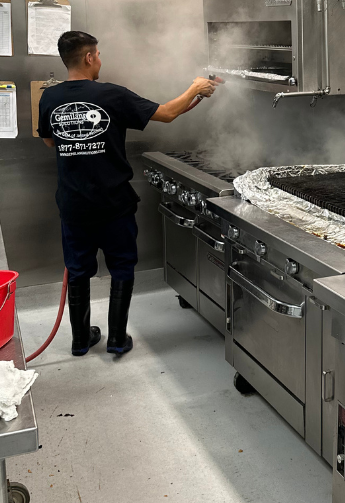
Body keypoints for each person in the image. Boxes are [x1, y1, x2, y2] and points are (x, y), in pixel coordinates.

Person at [38, 31, 220, 357]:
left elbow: (50, 141)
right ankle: (117, 340)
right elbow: (165, 113)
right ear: (90, 57)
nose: (100, 60)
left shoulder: (49, 98)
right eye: (99, 55)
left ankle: (80, 340)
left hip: (73, 203)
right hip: (113, 202)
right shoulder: (111, 95)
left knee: (78, 269)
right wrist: (195, 88)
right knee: (121, 266)